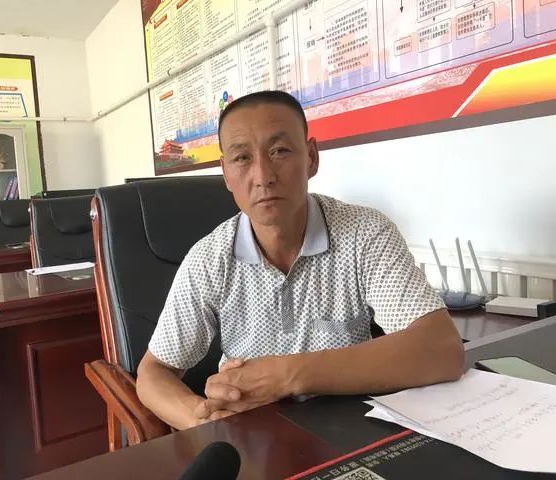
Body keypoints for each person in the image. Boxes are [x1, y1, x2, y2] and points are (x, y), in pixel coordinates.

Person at [136, 90, 464, 431]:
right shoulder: (208, 260)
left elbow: (441, 349)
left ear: (311, 158)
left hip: (350, 428)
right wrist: (205, 419)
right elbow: (153, 372)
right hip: (253, 433)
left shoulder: (364, 233)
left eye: (279, 151)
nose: (263, 176)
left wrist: (286, 375)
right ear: (226, 173)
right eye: (242, 158)